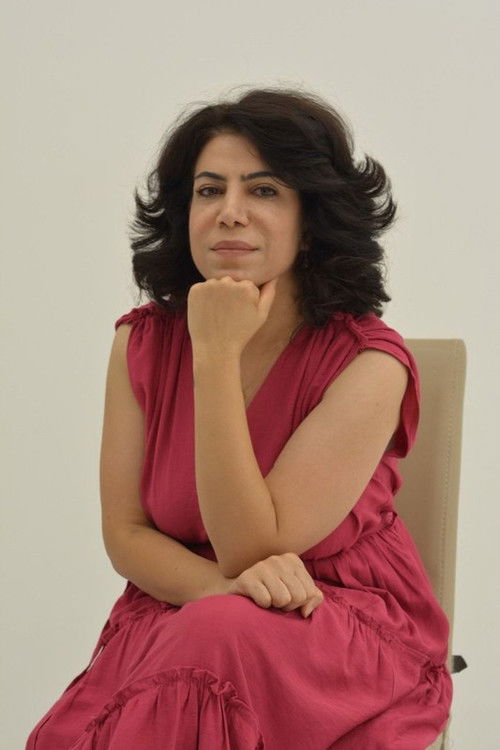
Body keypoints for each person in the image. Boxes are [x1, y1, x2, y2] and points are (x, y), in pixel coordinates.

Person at [26, 86, 453, 749]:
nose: (229, 212)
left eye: (264, 191)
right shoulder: (141, 341)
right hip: (182, 607)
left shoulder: (371, 363)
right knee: (206, 634)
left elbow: (255, 548)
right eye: (208, 190)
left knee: (213, 635)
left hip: (331, 622)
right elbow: (126, 533)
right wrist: (215, 589)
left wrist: (216, 355)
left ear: (311, 220)